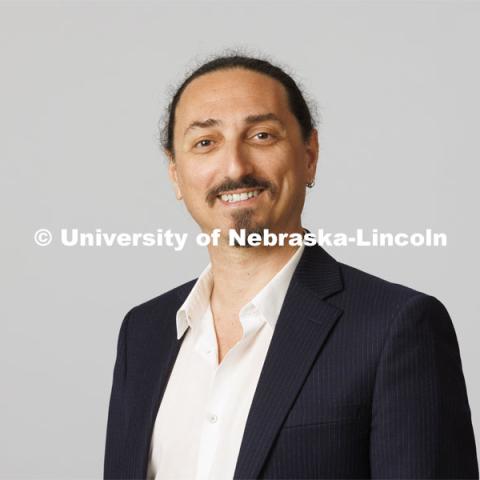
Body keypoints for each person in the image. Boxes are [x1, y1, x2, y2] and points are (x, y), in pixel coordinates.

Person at [103, 54, 478, 479]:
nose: (235, 168)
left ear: (310, 155)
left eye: (262, 135)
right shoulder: (143, 332)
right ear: (175, 173)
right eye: (205, 142)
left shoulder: (395, 327)